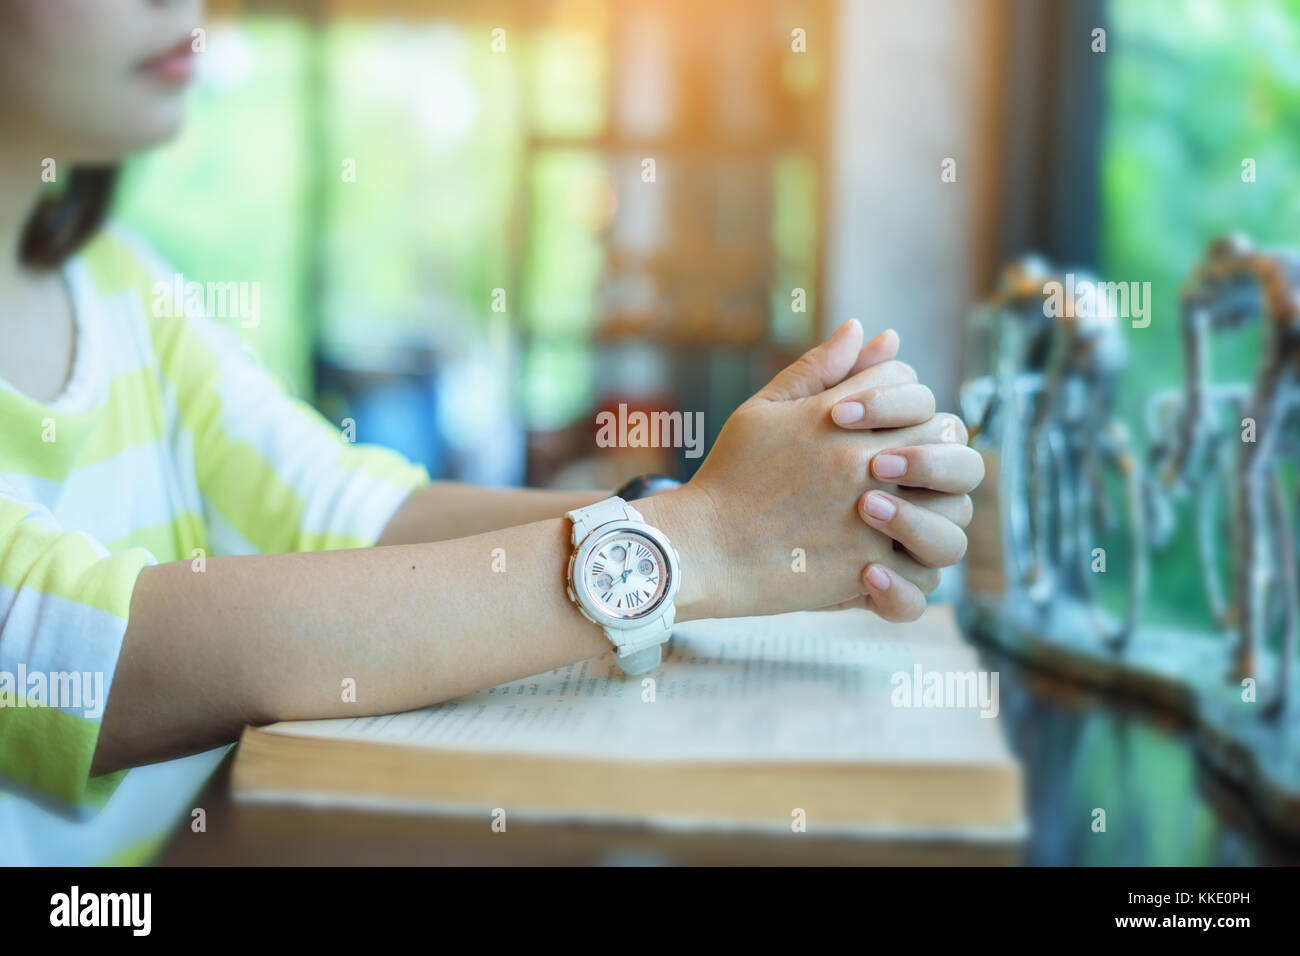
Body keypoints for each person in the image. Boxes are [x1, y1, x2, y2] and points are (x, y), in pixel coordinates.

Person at [0, 0, 983, 858]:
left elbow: (350, 508)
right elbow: (93, 656)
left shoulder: (126, 286)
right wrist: (700, 544)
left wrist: (749, 513)